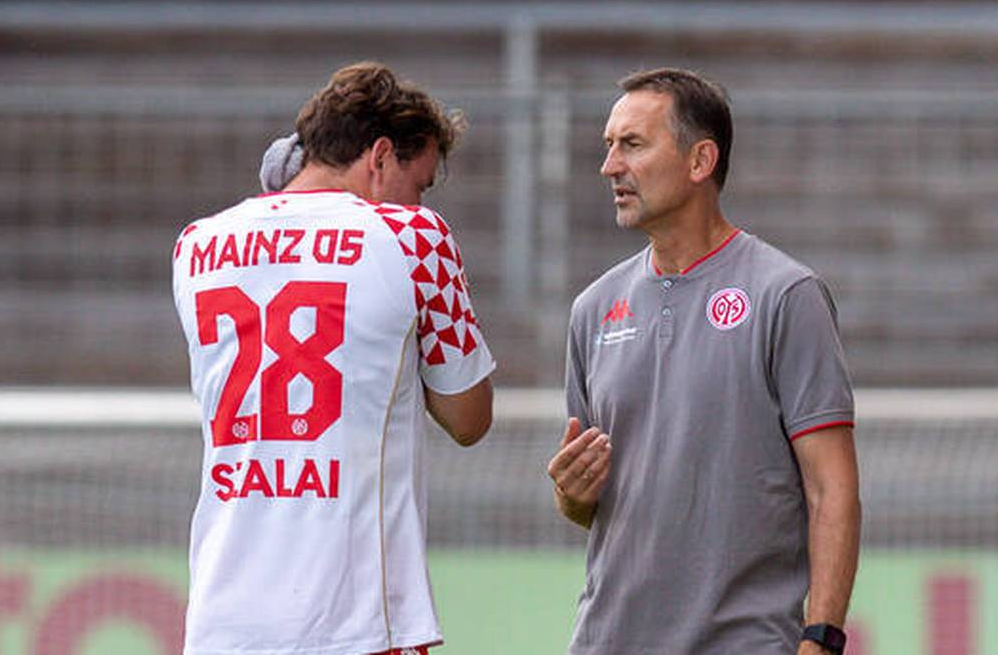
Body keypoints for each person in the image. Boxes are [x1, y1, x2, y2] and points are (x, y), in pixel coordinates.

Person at [172, 61, 496, 655]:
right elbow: (467, 418)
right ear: (378, 158)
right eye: (418, 181)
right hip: (355, 619)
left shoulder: (198, 244)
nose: (418, 199)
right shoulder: (413, 236)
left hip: (224, 619)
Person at [546, 68, 861, 655]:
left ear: (700, 161)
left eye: (632, 145)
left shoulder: (786, 295)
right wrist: (573, 495)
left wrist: (821, 638)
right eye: (609, 146)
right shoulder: (592, 310)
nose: (609, 166)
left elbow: (831, 489)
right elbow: (601, 507)